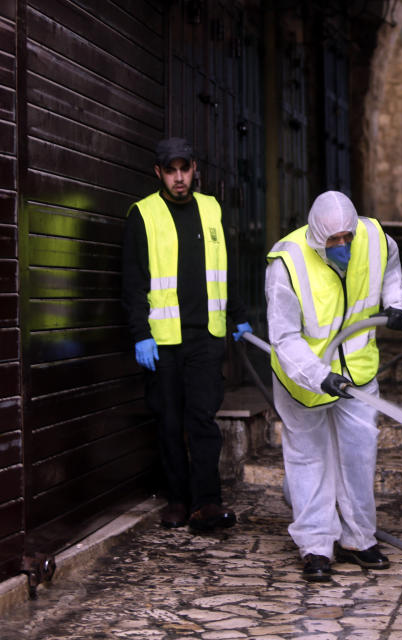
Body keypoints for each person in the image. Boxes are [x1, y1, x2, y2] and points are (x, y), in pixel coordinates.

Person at [264, 190, 402, 583]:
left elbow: (392, 274)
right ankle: (315, 546)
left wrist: (397, 303)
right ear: (315, 237)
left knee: (359, 457)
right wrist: (319, 375)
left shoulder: (376, 240)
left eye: (348, 237)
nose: (343, 245)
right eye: (334, 241)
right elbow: (284, 337)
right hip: (304, 381)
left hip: (358, 374)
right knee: (309, 460)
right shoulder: (288, 263)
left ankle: (358, 538)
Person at [121, 137, 252, 532]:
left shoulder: (211, 209)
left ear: (195, 168)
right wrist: (140, 332)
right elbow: (132, 281)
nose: (179, 178)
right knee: (169, 421)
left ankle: (207, 503)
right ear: (158, 172)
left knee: (202, 421)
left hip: (206, 337)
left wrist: (238, 314)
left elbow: (227, 266)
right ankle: (177, 500)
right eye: (171, 170)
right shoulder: (142, 215)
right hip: (162, 342)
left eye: (185, 169)